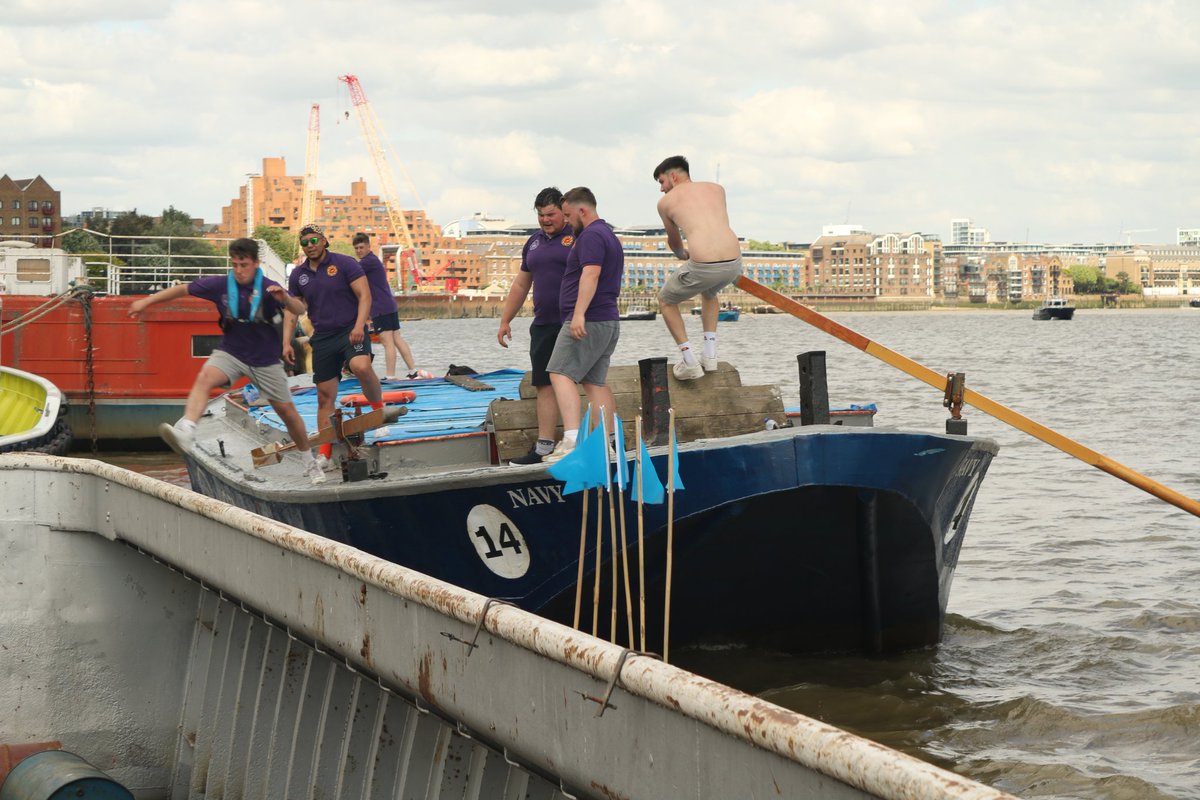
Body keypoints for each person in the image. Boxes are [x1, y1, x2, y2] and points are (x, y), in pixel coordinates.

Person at [128, 237, 326, 484]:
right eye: (235, 264)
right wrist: (145, 301)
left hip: (265, 359)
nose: (239, 270)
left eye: (244, 264)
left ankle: (309, 461)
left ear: (255, 263)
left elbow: (298, 309)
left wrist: (284, 297)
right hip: (232, 353)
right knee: (205, 377)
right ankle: (187, 430)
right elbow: (182, 289)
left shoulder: (268, 286)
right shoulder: (221, 285)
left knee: (287, 412)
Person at [283, 224, 384, 468]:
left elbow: (365, 296)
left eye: (314, 240)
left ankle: (378, 414)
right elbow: (293, 311)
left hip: (351, 329)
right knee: (324, 397)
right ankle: (325, 454)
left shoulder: (345, 263)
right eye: (305, 242)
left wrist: (360, 326)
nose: (310, 245)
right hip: (323, 337)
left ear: (324, 240)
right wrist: (286, 341)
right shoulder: (299, 275)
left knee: (360, 366)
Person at [543, 187, 623, 463]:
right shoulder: (609, 234)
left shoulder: (591, 235)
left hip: (590, 318)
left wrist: (578, 314)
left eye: (567, 215)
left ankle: (572, 441)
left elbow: (591, 274)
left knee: (559, 373)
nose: (566, 221)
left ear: (582, 211)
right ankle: (605, 444)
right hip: (608, 319)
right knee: (595, 382)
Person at [497, 187, 571, 465]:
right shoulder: (533, 243)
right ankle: (544, 445)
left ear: (563, 210)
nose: (545, 220)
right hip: (543, 324)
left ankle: (593, 440)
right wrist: (506, 320)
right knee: (543, 384)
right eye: (541, 215)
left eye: (550, 214)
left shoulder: (577, 237)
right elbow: (521, 284)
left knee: (578, 381)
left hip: (571, 323)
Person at [652, 154, 743, 380]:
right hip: (734, 264)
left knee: (666, 300)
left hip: (703, 265)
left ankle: (689, 360)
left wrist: (683, 254)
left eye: (662, 182)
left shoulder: (665, 203)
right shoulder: (717, 189)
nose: (662, 189)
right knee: (710, 292)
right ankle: (709, 355)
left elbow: (674, 242)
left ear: (673, 176)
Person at [353, 232, 420, 380]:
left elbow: (351, 272)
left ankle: (390, 377)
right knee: (397, 339)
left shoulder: (366, 262)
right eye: (356, 248)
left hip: (380, 308)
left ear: (369, 247)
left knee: (387, 342)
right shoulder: (372, 260)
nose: (359, 251)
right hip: (389, 305)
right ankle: (413, 372)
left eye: (361, 247)